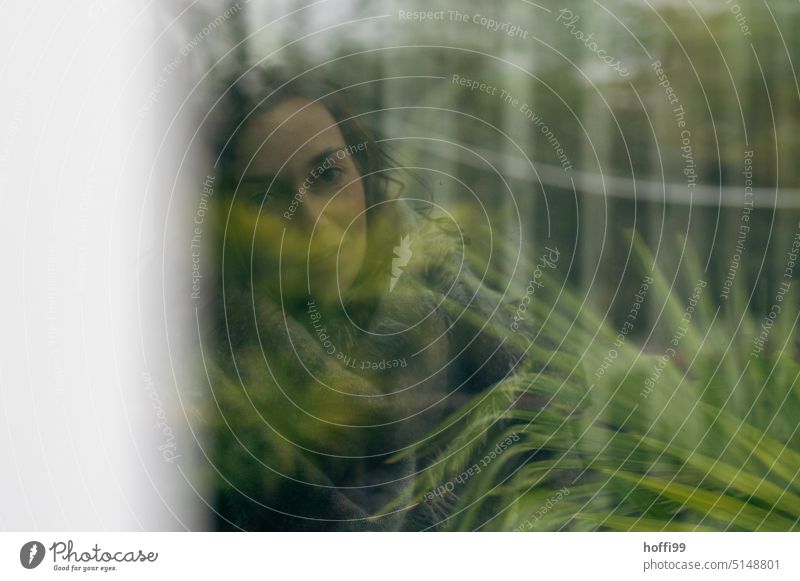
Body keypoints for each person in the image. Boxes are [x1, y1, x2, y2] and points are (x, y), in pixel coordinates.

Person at [201, 67, 528, 531]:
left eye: (328, 175)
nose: (313, 223)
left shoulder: (443, 290)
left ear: (366, 174)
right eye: (265, 198)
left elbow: (559, 420)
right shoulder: (213, 380)